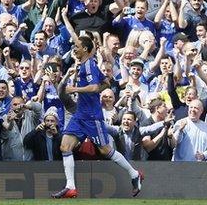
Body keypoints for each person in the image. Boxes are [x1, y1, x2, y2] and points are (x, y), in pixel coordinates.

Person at [52, 36, 143, 198]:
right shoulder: (86, 65)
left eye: (77, 46)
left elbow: (95, 87)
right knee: (65, 147)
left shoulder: (89, 66)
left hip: (93, 117)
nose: (74, 48)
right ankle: (70, 187)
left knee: (106, 150)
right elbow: (106, 82)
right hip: (80, 115)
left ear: (85, 49)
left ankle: (134, 174)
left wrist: (75, 90)